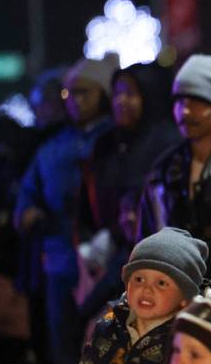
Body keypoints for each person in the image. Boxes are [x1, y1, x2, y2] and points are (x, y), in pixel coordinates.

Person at [15, 56, 116, 364]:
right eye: (69, 93)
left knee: (106, 348)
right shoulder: (52, 147)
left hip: (109, 262)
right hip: (60, 261)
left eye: (84, 92)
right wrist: (30, 214)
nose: (75, 100)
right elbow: (27, 197)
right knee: (65, 351)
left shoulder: (116, 140)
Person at [62, 227, 208, 364]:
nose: (146, 289)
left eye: (161, 283)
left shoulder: (188, 344)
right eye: (138, 279)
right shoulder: (108, 327)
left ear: (184, 297)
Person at [139, 54, 211, 290]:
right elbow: (146, 238)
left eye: (198, 102)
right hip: (171, 298)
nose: (186, 112)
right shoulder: (163, 168)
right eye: (180, 102)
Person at [76, 62, 181, 319]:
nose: (122, 101)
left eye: (131, 94)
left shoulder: (167, 143)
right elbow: (86, 199)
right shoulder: (108, 144)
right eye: (118, 93)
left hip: (148, 259)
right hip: (102, 256)